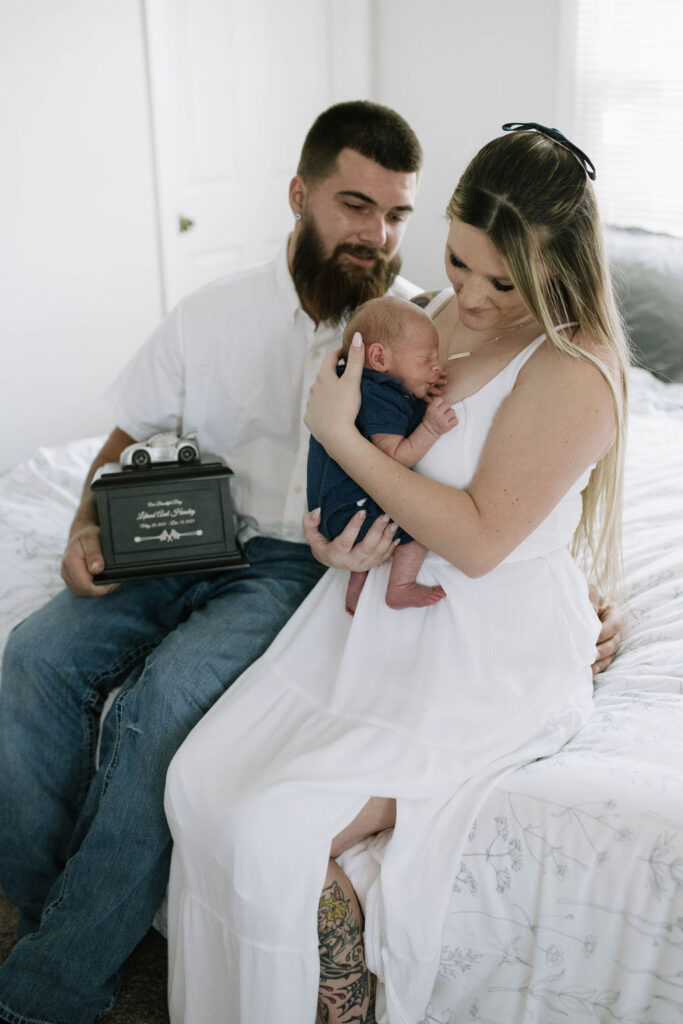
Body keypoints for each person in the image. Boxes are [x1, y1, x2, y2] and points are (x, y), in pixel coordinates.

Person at [163, 123, 629, 1024]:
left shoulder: (576, 368)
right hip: (371, 616)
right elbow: (378, 470)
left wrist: (338, 432)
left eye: (507, 281)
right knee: (197, 782)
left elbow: (481, 539)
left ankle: (313, 994)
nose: (474, 297)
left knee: (270, 831)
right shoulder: (427, 313)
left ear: (559, 271)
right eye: (459, 263)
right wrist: (339, 538)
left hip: (480, 651)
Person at [0, 100, 425, 1024]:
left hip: (288, 569)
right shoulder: (212, 312)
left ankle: (49, 991)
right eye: (356, 206)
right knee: (29, 662)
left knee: (164, 704)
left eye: (396, 214)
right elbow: (126, 436)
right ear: (298, 194)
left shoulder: (413, 330)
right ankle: (55, 917)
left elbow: (481, 474)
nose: (377, 235)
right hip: (177, 537)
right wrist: (84, 541)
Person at [307, 295, 457, 614]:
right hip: (351, 513)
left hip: (341, 511)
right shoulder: (380, 394)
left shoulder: (358, 384)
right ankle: (399, 587)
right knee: (427, 525)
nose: (436, 366)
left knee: (381, 527)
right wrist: (430, 428)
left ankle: (356, 589)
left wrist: (421, 386)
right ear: (378, 357)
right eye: (426, 358)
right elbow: (389, 461)